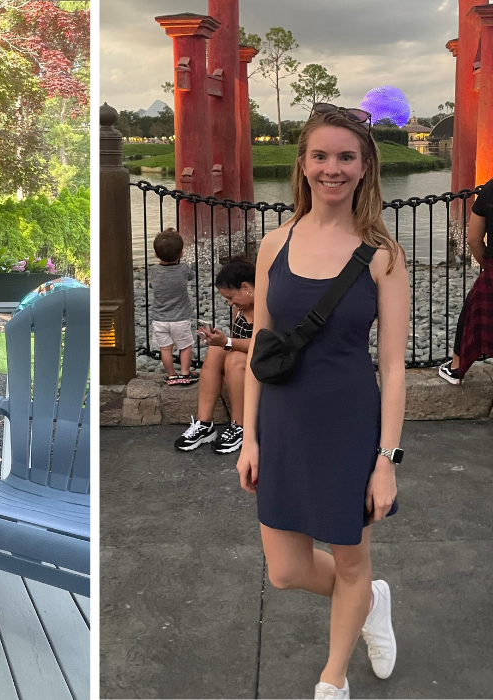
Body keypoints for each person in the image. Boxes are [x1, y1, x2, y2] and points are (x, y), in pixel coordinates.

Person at [235, 103, 410, 699]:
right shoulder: (274, 244)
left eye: (345, 157)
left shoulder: (382, 253)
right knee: (285, 571)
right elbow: (262, 346)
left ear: (365, 167)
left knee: (351, 557)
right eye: (320, 156)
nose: (331, 168)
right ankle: (371, 600)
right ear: (303, 164)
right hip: (283, 422)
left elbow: (391, 364)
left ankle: (332, 678)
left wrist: (387, 458)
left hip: (349, 423)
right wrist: (249, 436)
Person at [174, 257, 255, 453]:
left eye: (230, 297)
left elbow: (263, 344)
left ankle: (240, 426)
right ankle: (204, 423)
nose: (229, 303)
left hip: (266, 359)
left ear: (245, 287)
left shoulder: (266, 305)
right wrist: (219, 341)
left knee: (234, 359)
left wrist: (227, 342)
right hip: (247, 357)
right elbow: (237, 340)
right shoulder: (242, 307)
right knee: (215, 352)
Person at [437, 176, 491, 384]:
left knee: (470, 314)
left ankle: (456, 368)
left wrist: (487, 265)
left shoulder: (490, 189)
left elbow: (473, 239)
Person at [149, 228, 198, 385]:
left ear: (156, 254)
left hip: (159, 319)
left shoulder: (154, 271)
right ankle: (185, 373)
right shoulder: (183, 269)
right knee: (185, 346)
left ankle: (171, 375)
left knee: (165, 349)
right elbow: (192, 276)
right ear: (181, 253)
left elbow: (151, 285)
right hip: (180, 318)